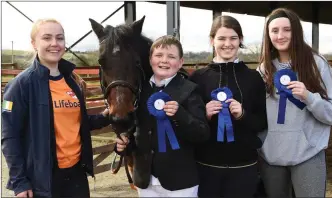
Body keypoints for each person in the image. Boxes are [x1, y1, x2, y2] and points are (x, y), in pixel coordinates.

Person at [1, 18, 111, 197]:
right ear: (34, 43)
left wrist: (106, 116)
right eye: (47, 38)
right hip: (43, 180)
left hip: (76, 174)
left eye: (60, 38)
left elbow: (77, 122)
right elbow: (9, 137)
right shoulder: (20, 85)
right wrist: (19, 182)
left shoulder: (72, 81)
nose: (55, 43)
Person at [257, 8, 332, 198]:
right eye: (275, 30)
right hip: (271, 157)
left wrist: (309, 97)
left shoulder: (316, 64)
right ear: (268, 35)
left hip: (308, 154)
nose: (280, 35)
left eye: (287, 29)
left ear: (296, 31)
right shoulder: (263, 70)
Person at [115, 35, 210, 197]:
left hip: (180, 182)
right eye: (158, 55)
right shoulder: (139, 91)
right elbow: (136, 130)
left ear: (180, 63)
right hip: (145, 180)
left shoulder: (190, 90)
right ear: (150, 59)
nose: (164, 60)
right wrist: (123, 145)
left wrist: (180, 115)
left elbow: (202, 134)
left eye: (171, 56)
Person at [189, 15, 268, 198]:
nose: (227, 44)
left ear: (240, 40)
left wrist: (243, 115)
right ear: (212, 41)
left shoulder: (254, 78)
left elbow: (262, 122)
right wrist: (204, 115)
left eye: (233, 38)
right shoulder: (198, 78)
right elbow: (190, 127)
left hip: (244, 166)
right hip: (206, 166)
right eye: (221, 38)